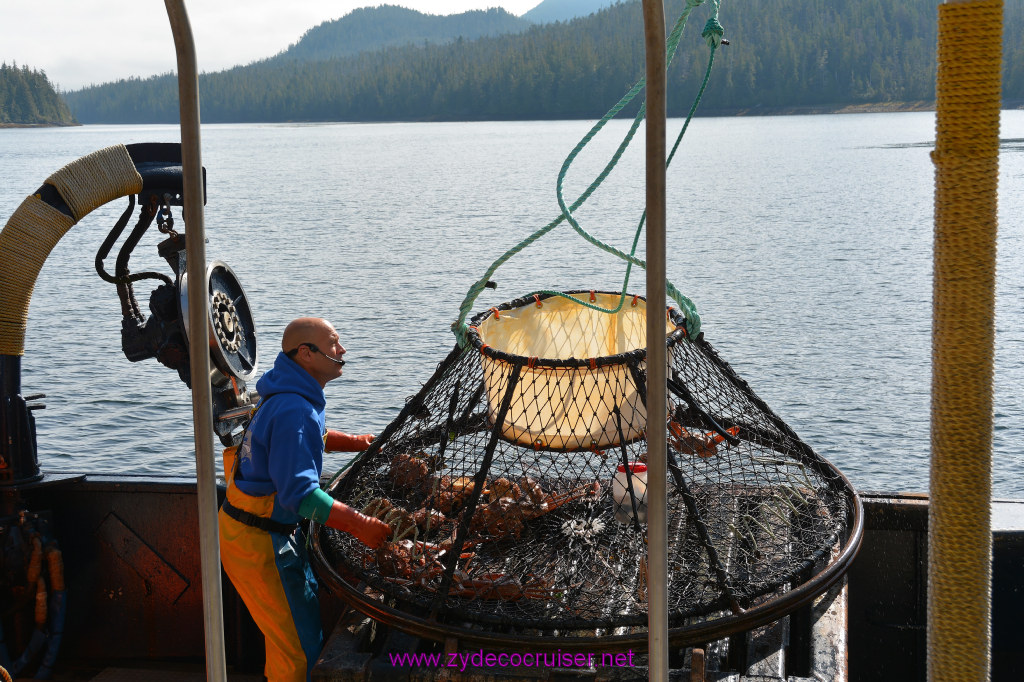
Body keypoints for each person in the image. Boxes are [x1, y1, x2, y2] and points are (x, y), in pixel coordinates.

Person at [218, 317, 390, 682]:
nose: (342, 350)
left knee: (289, 636)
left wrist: (358, 442)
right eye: (334, 343)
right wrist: (361, 526)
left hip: (260, 531)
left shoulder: (290, 393)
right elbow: (301, 496)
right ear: (306, 353)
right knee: (300, 651)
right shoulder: (293, 409)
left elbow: (315, 436)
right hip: (260, 543)